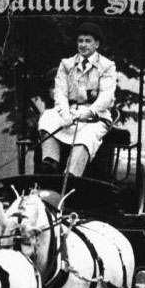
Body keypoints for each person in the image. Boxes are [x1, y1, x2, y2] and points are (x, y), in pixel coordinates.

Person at [37, 21, 118, 176]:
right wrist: (65, 114)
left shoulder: (107, 66)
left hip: (95, 116)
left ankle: (72, 174)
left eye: (88, 41)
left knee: (87, 136)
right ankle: (50, 162)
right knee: (47, 117)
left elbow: (106, 96)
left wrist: (89, 112)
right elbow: (60, 92)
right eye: (80, 41)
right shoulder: (66, 64)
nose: (83, 45)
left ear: (97, 44)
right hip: (70, 111)